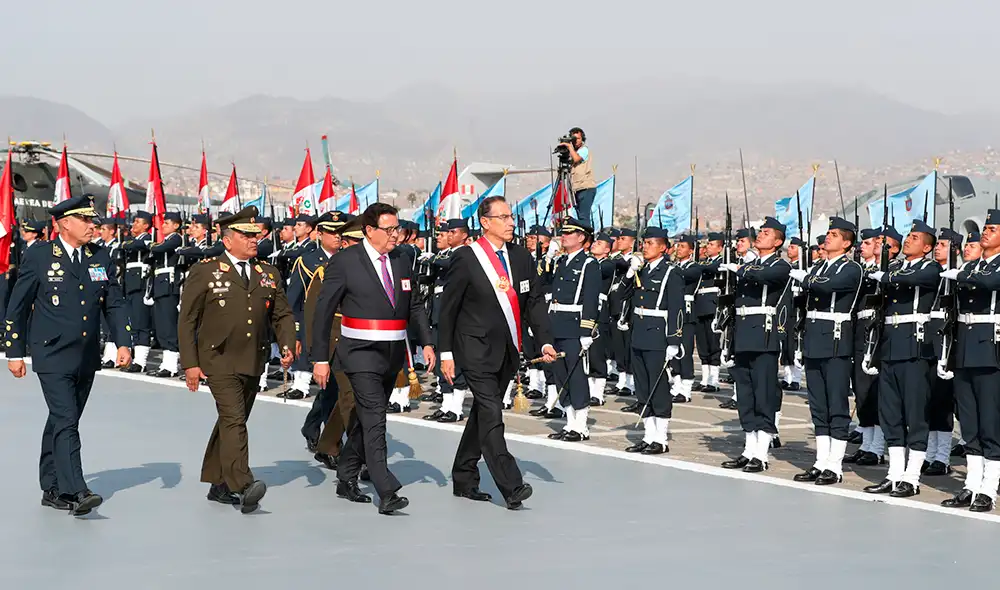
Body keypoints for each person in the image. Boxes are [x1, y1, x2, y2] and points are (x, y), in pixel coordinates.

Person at [4, 195, 133, 516]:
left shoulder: (100, 256)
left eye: (94, 220)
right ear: (63, 224)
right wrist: (14, 352)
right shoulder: (40, 256)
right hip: (51, 353)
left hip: (86, 354)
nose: (94, 226)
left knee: (62, 419)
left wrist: (124, 342)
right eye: (86, 220)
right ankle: (77, 490)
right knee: (66, 420)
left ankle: (51, 487)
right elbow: (17, 306)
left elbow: (113, 302)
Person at [311, 202, 435, 515]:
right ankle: (386, 488)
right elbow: (324, 311)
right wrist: (320, 358)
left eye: (398, 228)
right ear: (369, 230)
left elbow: (415, 305)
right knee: (376, 416)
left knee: (367, 420)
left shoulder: (403, 260)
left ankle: (346, 474)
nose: (396, 234)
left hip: (392, 353)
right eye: (389, 229)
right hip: (358, 352)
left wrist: (428, 343)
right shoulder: (345, 261)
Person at [438, 196, 556, 508]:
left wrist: (544, 340)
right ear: (485, 222)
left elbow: (533, 302)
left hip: (509, 349)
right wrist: (446, 353)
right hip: (474, 349)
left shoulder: (521, 256)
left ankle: (463, 477)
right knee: (491, 412)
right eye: (502, 217)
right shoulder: (466, 257)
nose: (510, 222)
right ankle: (511, 484)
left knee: (482, 414)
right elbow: (448, 309)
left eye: (511, 216)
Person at [178, 206, 295, 514]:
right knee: (234, 419)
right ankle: (242, 484)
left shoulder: (268, 273)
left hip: (253, 359)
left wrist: (287, 343)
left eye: (255, 235)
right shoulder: (205, 271)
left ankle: (218, 484)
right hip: (218, 359)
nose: (254, 240)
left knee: (233, 419)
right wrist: (190, 363)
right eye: (246, 235)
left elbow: (281, 313)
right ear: (228, 240)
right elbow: (187, 320)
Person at [862, 220, 940, 498]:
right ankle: (894, 475)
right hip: (891, 347)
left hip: (915, 348)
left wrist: (886, 278)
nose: (908, 240)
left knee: (915, 415)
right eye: (908, 236)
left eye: (915, 238)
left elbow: (914, 281)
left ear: (927, 247)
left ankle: (912, 477)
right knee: (890, 414)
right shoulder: (894, 268)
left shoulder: (930, 268)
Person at [789, 217, 862, 486]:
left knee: (836, 404)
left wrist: (806, 278)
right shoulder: (819, 266)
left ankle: (835, 464)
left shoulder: (851, 268)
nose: (827, 238)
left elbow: (827, 286)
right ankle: (821, 462)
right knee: (818, 405)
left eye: (833, 234)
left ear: (846, 242)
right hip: (814, 339)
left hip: (835, 340)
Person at [719, 217, 791, 472]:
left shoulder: (780, 265)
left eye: (766, 233)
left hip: (764, 336)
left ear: (778, 241)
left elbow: (766, 276)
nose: (760, 235)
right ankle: (749, 449)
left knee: (764, 394)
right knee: (746, 395)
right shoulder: (751, 265)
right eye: (759, 232)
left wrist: (742, 269)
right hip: (743, 335)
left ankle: (762, 453)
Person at [939, 214, 1000, 511]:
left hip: (990, 349)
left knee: (991, 421)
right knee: (970, 423)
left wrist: (960, 275)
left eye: (992, 229)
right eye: (985, 229)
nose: (985, 233)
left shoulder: (989, 268)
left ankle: (989, 488)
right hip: (964, 349)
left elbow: (991, 281)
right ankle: (971, 485)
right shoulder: (971, 265)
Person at [618, 226, 684, 454]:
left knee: (658, 386)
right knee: (643, 386)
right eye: (644, 243)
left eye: (650, 243)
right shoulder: (641, 270)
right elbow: (619, 297)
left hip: (658, 334)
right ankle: (648, 435)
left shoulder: (671, 272)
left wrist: (674, 339)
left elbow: (676, 307)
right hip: (639, 333)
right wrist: (629, 274)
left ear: (663, 247)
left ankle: (661, 438)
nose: (645, 247)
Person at [544, 218, 601, 441]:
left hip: (575, 326)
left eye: (569, 234)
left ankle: (581, 425)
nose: (563, 236)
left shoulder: (589, 264)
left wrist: (586, 332)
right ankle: (569, 423)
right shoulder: (560, 262)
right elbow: (545, 284)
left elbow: (591, 299)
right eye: (563, 233)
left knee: (576, 375)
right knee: (561, 376)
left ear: (581, 238)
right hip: (557, 323)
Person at [556, 128, 597, 228]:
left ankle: (586, 237)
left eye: (578, 138)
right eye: (573, 138)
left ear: (582, 139)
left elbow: (576, 159)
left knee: (583, 217)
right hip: (578, 188)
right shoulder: (575, 151)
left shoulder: (584, 150)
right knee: (580, 216)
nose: (576, 141)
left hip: (586, 187)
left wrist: (570, 147)